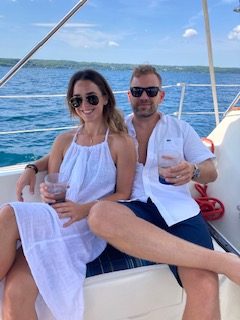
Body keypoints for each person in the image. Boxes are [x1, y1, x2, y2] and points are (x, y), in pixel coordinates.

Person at [11, 65, 240, 320]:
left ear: (161, 96)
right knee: (99, 214)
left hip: (179, 210)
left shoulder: (181, 128)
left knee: (205, 286)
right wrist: (33, 167)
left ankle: (222, 263)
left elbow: (211, 171)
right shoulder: (116, 128)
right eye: (137, 91)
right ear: (128, 95)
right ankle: (223, 261)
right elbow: (73, 144)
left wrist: (193, 170)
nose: (144, 96)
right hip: (134, 207)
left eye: (151, 91)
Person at [0, 69, 136, 320]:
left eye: (91, 98)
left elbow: (124, 194)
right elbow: (54, 190)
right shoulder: (63, 141)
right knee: (15, 294)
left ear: (105, 98)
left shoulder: (121, 143)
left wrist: (84, 209)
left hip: (86, 227)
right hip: (57, 219)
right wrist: (35, 173)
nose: (84, 105)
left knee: (8, 213)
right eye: (77, 100)